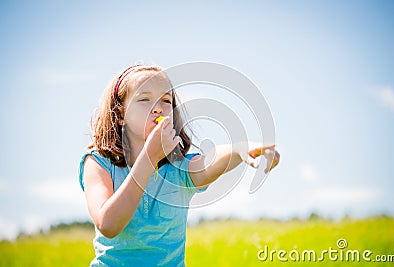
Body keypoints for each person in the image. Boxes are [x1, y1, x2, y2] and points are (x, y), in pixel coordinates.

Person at [78, 63, 280, 266]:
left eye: (166, 100)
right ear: (121, 115)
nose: (157, 107)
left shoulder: (179, 169)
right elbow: (109, 224)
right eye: (144, 99)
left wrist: (239, 148)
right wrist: (149, 158)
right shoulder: (98, 163)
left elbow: (210, 161)